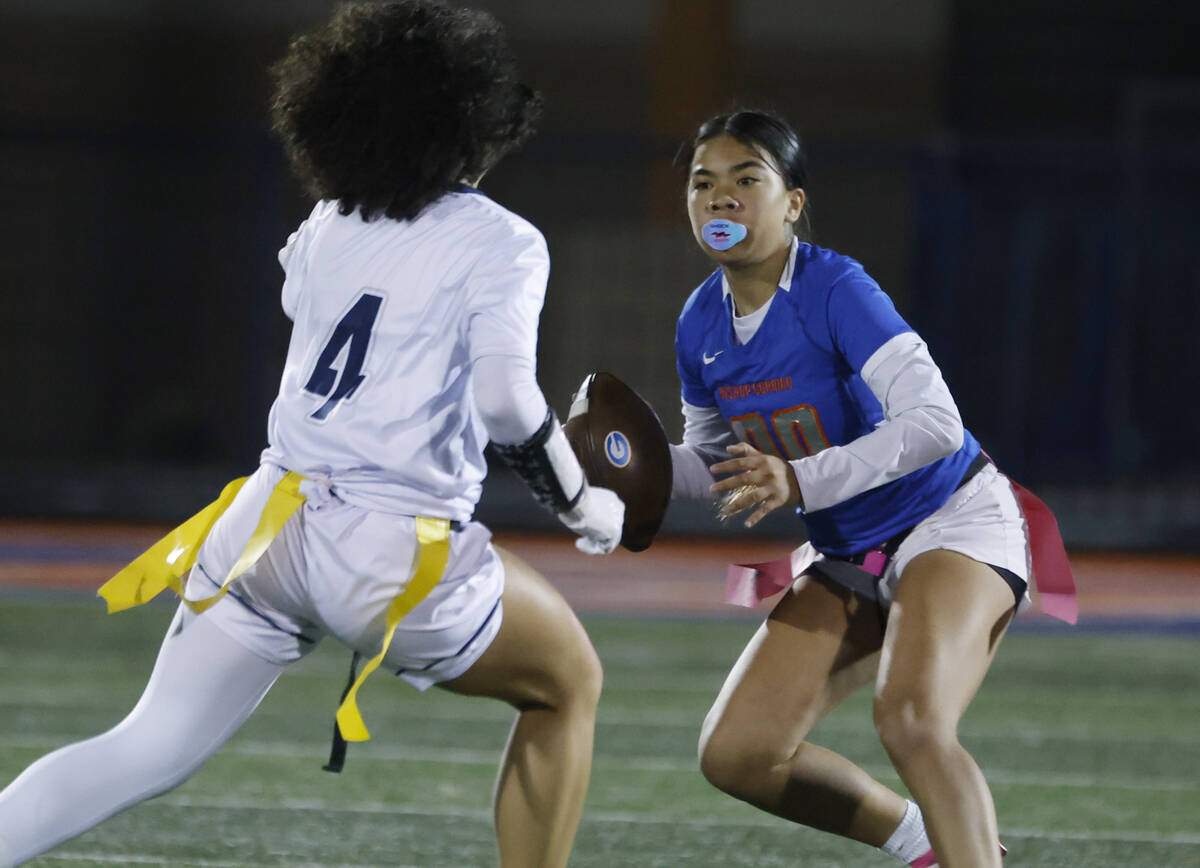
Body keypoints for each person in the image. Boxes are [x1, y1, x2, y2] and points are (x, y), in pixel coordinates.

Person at [0, 4, 624, 867]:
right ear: (466, 119)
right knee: (569, 685)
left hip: (266, 521)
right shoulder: (504, 241)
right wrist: (581, 500)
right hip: (386, 546)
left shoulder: (330, 219)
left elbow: (305, 305)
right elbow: (507, 401)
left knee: (141, 747)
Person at [668, 110, 1073, 867]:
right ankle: (927, 841)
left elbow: (936, 425)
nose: (720, 197)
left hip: (950, 519)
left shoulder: (835, 286)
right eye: (703, 182)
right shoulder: (699, 324)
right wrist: (602, 465)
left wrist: (798, 477)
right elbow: (713, 464)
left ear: (791, 202)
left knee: (914, 721)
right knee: (738, 754)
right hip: (853, 551)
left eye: (745, 179)